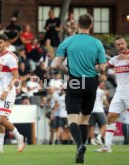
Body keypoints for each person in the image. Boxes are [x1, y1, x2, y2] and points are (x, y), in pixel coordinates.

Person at [53, 13, 106, 163]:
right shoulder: (97, 43)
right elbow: (102, 68)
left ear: (77, 25)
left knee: (72, 118)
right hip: (90, 83)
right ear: (91, 25)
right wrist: (91, 68)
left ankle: (80, 145)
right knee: (85, 119)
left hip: (75, 81)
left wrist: (68, 71)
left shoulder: (68, 41)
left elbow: (56, 64)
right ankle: (80, 150)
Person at [0, 34, 25, 153]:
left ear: (5, 43)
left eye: (0, 42)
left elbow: (16, 76)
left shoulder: (10, 57)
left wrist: (7, 90)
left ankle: (19, 137)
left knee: (2, 119)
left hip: (7, 92)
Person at [94, 36, 129, 152]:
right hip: (120, 92)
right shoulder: (115, 59)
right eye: (118, 45)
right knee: (110, 117)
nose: (121, 46)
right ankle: (107, 146)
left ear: (126, 43)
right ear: (116, 47)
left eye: (122, 43)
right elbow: (103, 67)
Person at [89, 80, 108, 145]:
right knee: (104, 124)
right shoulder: (101, 91)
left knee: (92, 126)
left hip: (91, 111)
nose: (103, 85)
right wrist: (110, 107)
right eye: (102, 84)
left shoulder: (90, 90)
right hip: (99, 110)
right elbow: (105, 102)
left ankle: (92, 140)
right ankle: (99, 137)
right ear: (99, 84)